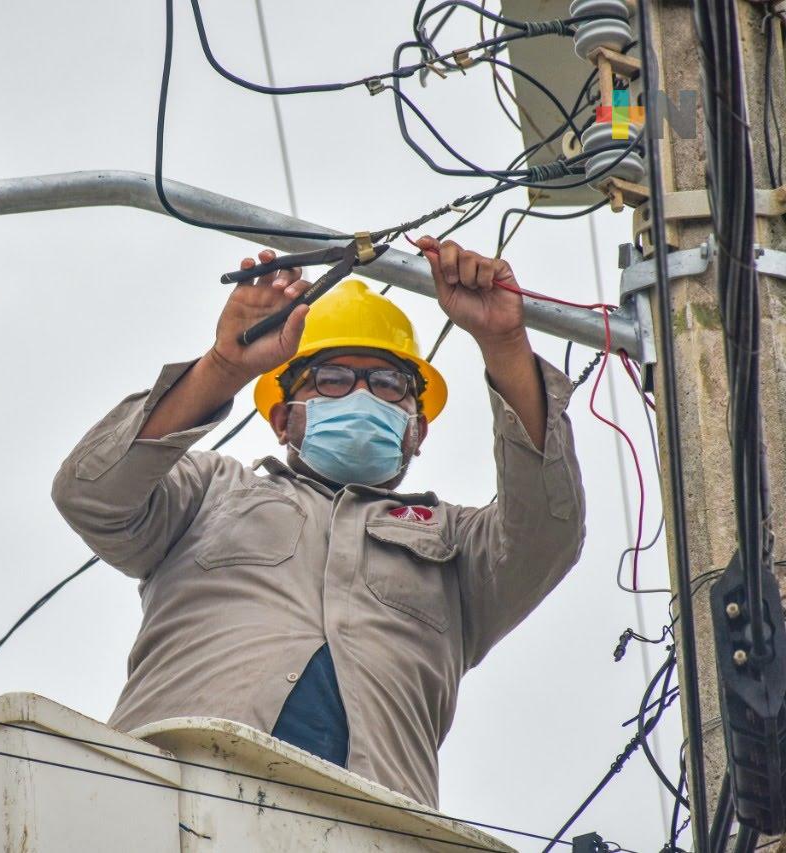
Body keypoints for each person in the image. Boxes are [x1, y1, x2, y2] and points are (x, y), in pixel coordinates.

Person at [51, 236, 586, 808]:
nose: (360, 395)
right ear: (283, 419)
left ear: (418, 430)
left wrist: (503, 344)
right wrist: (223, 367)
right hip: (172, 803)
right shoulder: (208, 491)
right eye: (331, 380)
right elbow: (90, 494)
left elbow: (547, 534)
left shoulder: (456, 544)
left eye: (386, 385)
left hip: (373, 831)